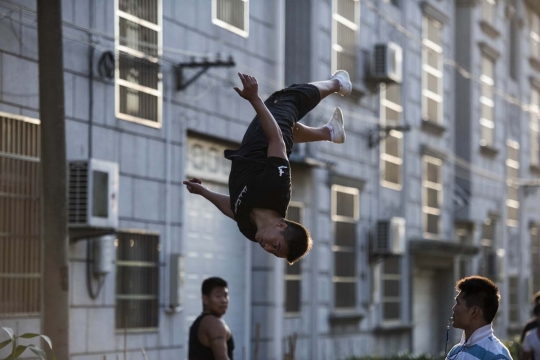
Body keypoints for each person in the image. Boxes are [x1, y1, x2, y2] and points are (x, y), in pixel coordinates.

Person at [183, 70, 352, 264]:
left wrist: (204, 192)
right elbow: (277, 140)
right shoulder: (276, 190)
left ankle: (329, 132)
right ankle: (338, 84)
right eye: (276, 245)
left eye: (273, 251)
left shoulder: (250, 230)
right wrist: (255, 99)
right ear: (281, 226)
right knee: (288, 99)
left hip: (254, 143)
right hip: (269, 138)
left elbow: (234, 208)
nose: (267, 247)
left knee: (289, 125)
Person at [447, 276, 512, 360]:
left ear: (474, 312)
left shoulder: (497, 355)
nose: (454, 308)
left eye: (458, 303)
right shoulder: (455, 351)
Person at [188, 277, 234, 360]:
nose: (224, 300)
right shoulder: (214, 323)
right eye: (218, 296)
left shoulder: (201, 322)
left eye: (226, 295)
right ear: (205, 299)